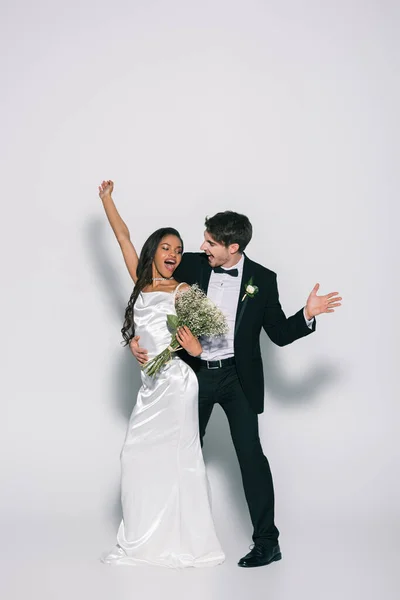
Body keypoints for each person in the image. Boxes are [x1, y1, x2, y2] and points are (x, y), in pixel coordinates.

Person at [131, 208, 342, 568]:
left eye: (210, 242)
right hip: (192, 374)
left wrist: (306, 315)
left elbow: (277, 334)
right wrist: (138, 337)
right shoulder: (192, 265)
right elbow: (147, 285)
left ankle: (267, 542)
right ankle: (166, 536)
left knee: (251, 457)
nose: (201, 247)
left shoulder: (264, 279)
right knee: (179, 451)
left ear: (233, 247)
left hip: (237, 379)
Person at [98, 180, 225, 568]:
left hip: (175, 383)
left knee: (178, 460)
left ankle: (183, 540)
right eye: (167, 247)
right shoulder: (141, 282)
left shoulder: (182, 289)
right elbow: (122, 237)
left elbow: (214, 334)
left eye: (179, 250)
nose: (173, 254)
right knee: (136, 457)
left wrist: (195, 350)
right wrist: (107, 199)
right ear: (154, 252)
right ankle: (147, 536)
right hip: (150, 386)